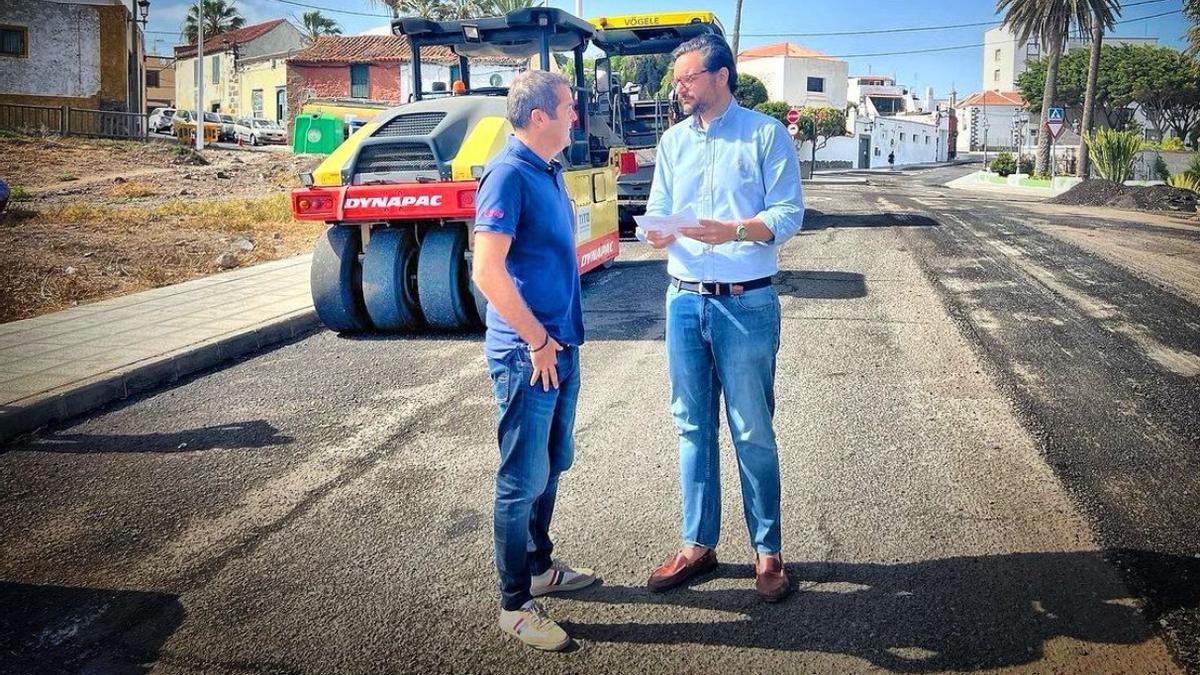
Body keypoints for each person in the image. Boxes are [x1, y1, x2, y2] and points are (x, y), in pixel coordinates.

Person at [641, 34, 804, 602]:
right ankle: (698, 545)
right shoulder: (671, 142)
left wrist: (732, 230)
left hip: (746, 301)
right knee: (691, 426)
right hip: (684, 298)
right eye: (676, 79)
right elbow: (659, 209)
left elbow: (788, 213)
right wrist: (658, 231)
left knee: (752, 429)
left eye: (686, 77)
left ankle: (768, 552)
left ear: (720, 76)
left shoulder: (765, 134)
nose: (677, 87)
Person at [471, 69, 598, 651]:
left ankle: (540, 568)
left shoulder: (548, 172)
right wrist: (537, 342)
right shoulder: (507, 175)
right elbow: (486, 271)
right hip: (530, 355)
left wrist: (558, 341)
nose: (577, 114)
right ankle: (514, 603)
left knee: (551, 466)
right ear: (540, 116)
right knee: (520, 479)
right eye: (569, 106)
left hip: (559, 347)